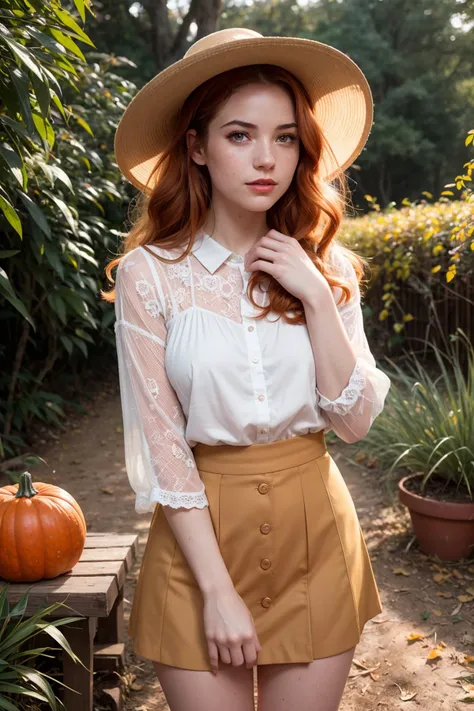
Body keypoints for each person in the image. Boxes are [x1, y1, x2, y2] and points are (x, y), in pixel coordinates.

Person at [103, 27, 391, 711]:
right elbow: (166, 445)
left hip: (317, 537)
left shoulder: (329, 265)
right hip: (199, 544)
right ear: (196, 147)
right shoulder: (153, 275)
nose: (267, 158)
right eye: (240, 135)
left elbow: (352, 423)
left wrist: (317, 295)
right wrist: (217, 590)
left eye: (286, 137)